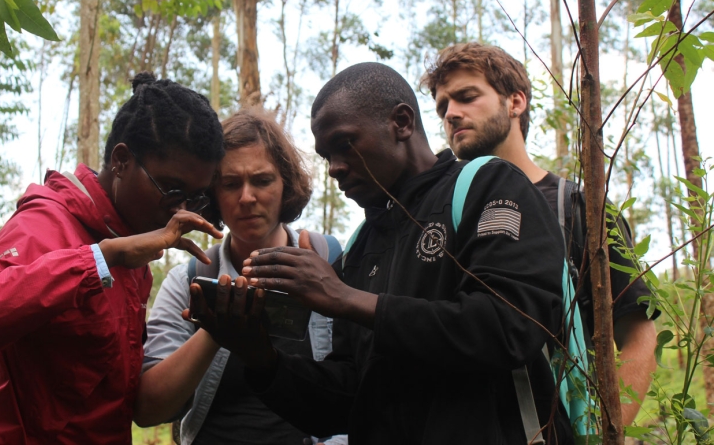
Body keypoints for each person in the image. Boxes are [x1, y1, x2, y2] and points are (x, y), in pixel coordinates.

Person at [188, 62, 576, 444]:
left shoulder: (486, 185)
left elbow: (510, 327)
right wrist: (259, 356)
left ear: (402, 122)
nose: (334, 169)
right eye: (326, 156)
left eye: (344, 144)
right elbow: (346, 402)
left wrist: (345, 298)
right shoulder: (360, 248)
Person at [0, 74, 225, 443]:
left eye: (195, 197)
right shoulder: (47, 224)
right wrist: (100, 259)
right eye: (172, 191)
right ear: (121, 160)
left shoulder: (130, 247)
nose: (181, 211)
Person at [421, 42, 658, 426]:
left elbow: (639, 333)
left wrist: (603, 431)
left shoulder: (578, 207)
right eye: (442, 106)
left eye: (466, 97)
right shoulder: (439, 214)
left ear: (516, 102)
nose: (451, 114)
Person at [135, 107, 347, 445]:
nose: (247, 198)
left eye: (262, 180)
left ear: (286, 185)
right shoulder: (189, 280)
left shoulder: (335, 262)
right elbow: (148, 410)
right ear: (213, 195)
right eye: (230, 183)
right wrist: (218, 327)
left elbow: (369, 384)